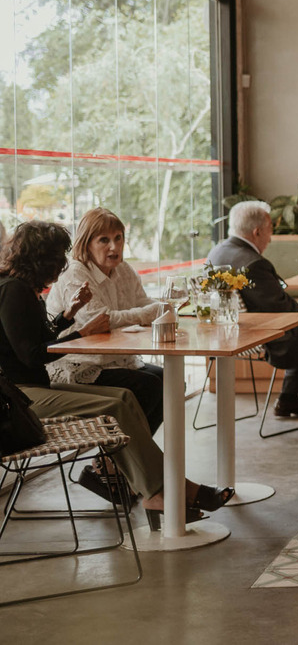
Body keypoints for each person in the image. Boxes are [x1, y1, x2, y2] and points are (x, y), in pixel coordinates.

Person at [0, 221, 231, 530]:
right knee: (117, 404)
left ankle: (151, 485)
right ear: (41, 258)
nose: (63, 264)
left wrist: (67, 315)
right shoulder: (13, 291)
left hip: (33, 388)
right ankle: (161, 491)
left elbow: (38, 338)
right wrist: (81, 332)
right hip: (22, 397)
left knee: (125, 397)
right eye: (57, 257)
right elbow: (32, 354)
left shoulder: (22, 288)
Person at [207, 201, 298, 425]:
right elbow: (281, 308)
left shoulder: (217, 252)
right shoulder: (253, 263)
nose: (271, 237)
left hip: (236, 329)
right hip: (265, 335)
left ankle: (288, 398)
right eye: (270, 229)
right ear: (257, 231)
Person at [45, 208, 168, 432]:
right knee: (150, 386)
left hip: (113, 359)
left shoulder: (123, 268)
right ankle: (113, 460)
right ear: (86, 244)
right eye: (104, 240)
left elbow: (142, 301)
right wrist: (155, 312)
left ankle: (116, 459)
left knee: (169, 380)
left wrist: (166, 306)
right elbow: (101, 320)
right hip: (80, 364)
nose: (114, 246)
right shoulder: (75, 273)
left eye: (118, 238)